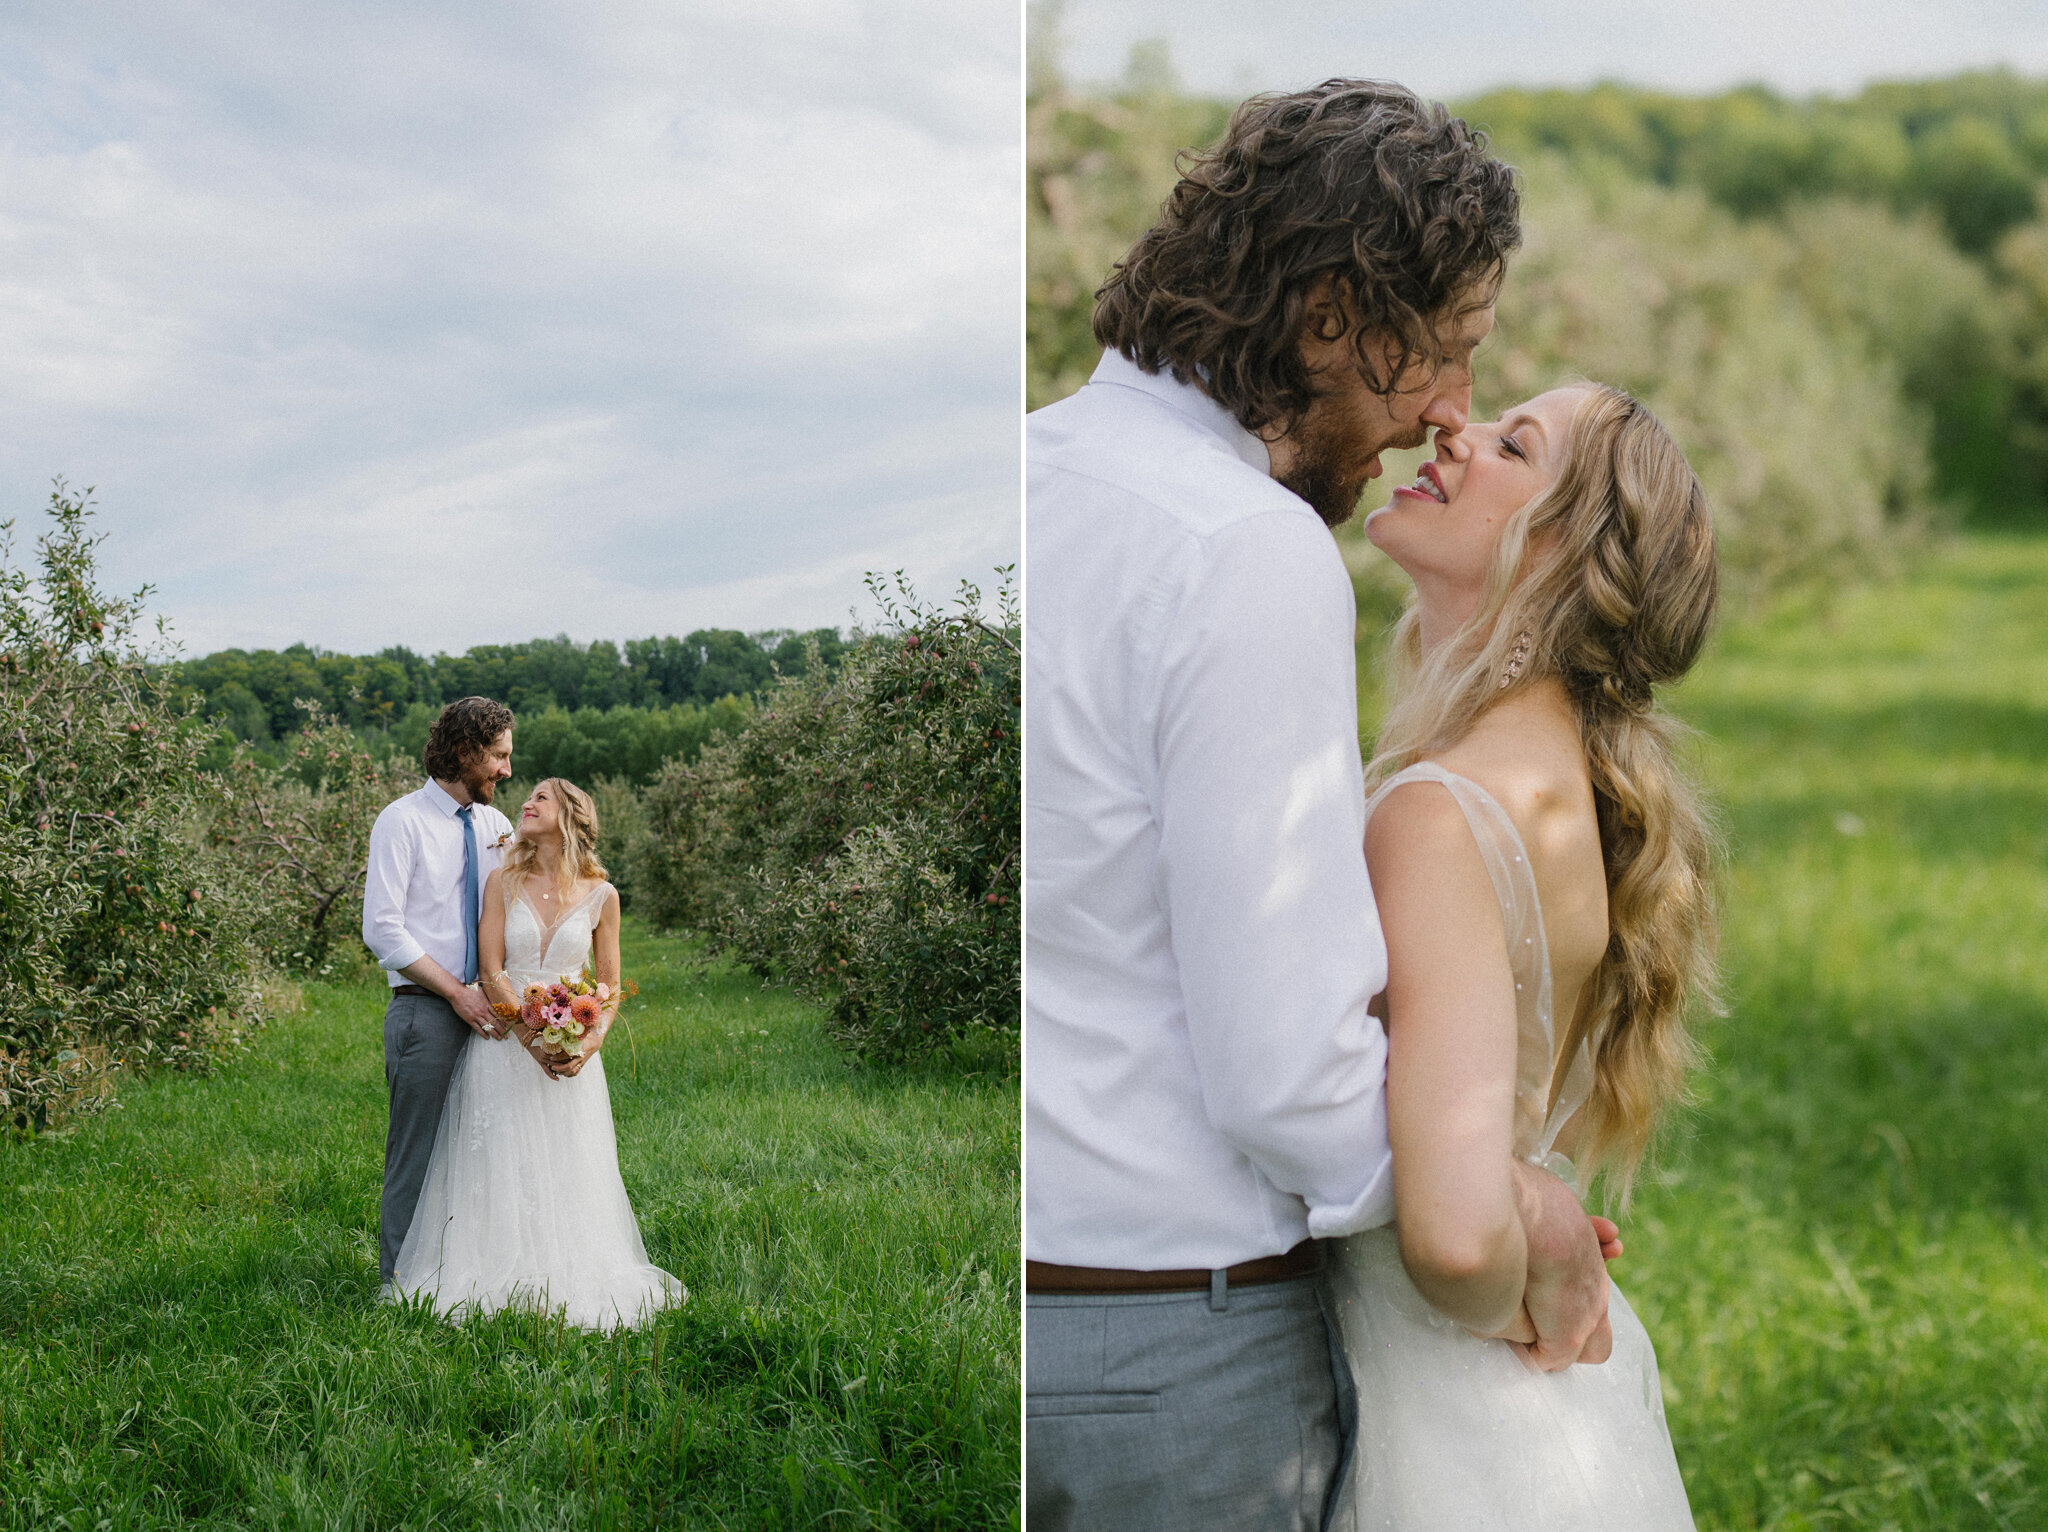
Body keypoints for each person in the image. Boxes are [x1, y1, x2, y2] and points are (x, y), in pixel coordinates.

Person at [1024, 80, 1616, 1529]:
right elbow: (1286, 1070)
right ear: (1338, 313)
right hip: (1167, 1355)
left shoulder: (1027, 475)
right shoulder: (1244, 549)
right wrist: (1499, 1210)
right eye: (1452, 354)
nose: (1449, 416)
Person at [1326, 384, 1718, 1527]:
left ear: (1556, 548)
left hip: (1438, 1396)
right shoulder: (1556, 784)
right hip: (1521, 1408)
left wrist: (1522, 1278)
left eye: (1512, 443)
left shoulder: (1441, 809)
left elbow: (1452, 1235)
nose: (1455, 429)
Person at [392, 777, 683, 1329]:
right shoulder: (504, 880)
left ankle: (569, 1271)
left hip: (571, 1059)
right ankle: (492, 1273)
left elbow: (610, 986)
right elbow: (491, 969)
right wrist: (532, 1038)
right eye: (527, 797)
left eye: (540, 798)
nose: (525, 803)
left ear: (570, 815)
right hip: (505, 1046)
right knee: (499, 1158)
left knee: (568, 1164)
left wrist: (588, 1041)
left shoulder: (604, 894)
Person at [362, 696, 517, 1295]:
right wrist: (457, 994)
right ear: (466, 752)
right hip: (426, 1011)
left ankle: (471, 1279)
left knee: (483, 1152)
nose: (506, 770)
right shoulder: (401, 821)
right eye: (499, 756)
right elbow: (383, 928)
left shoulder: (497, 827)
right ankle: (399, 1288)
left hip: (494, 1013)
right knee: (417, 1158)